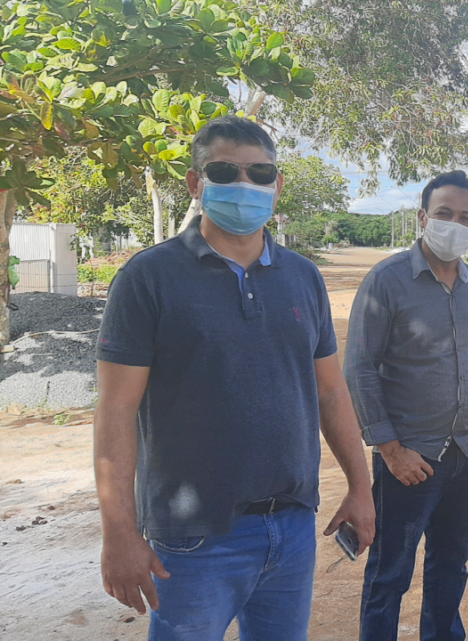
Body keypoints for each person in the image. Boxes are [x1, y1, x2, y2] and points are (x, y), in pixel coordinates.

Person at [94, 115, 376, 640]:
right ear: (196, 183)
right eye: (224, 171)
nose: (244, 185)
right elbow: (115, 411)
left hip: (291, 526)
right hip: (195, 537)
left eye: (259, 173)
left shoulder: (303, 277)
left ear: (278, 184)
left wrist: (361, 488)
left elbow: (331, 392)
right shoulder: (149, 278)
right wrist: (119, 532)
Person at [344, 170, 468, 641]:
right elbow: (360, 368)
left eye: (466, 217)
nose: (455, 224)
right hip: (410, 459)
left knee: (452, 564)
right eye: (445, 213)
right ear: (423, 216)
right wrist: (390, 450)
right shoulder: (387, 280)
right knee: (391, 573)